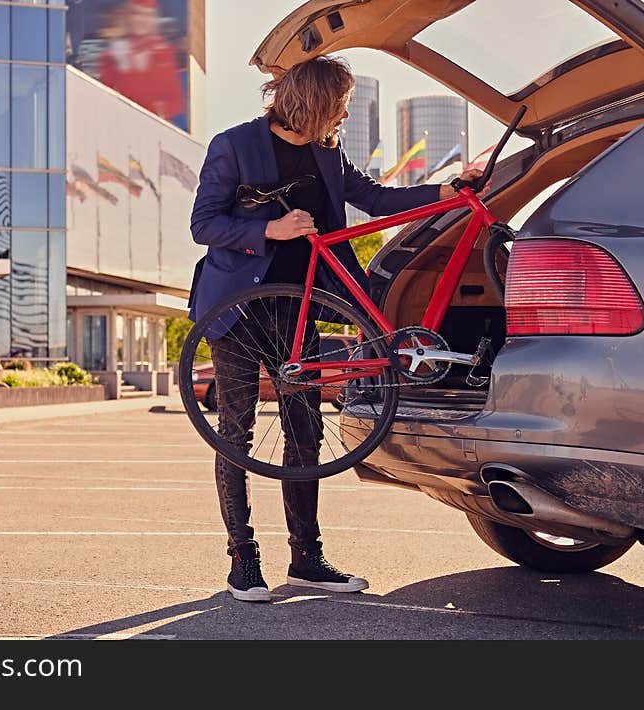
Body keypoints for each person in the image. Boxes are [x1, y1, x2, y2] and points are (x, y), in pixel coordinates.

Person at [187, 56, 486, 603]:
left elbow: (376, 197)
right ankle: (242, 561)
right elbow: (202, 223)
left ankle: (307, 559)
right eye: (341, 104)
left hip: (300, 302)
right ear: (317, 102)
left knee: (305, 428)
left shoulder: (328, 150)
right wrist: (269, 228)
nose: (346, 114)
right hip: (235, 304)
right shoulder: (234, 145)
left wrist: (445, 191)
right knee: (237, 432)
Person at [97, 0, 185, 124]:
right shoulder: (111, 56)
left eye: (148, 15)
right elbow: (105, 102)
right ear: (127, 17)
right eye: (137, 14)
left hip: (158, 129)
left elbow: (177, 102)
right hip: (123, 126)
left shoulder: (164, 53)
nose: (142, 20)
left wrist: (158, 112)